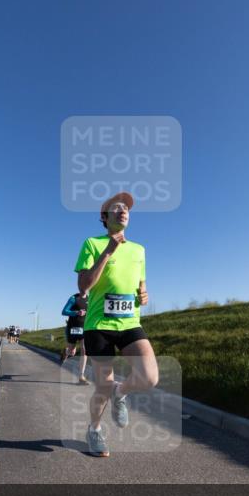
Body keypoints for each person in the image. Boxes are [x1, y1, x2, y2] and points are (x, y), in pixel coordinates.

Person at [75, 192, 159, 457]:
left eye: (126, 208)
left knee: (149, 377)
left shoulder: (139, 250)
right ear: (104, 217)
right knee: (101, 386)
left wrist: (144, 295)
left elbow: (141, 287)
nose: (123, 210)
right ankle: (95, 430)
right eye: (116, 208)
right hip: (98, 324)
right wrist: (108, 250)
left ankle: (120, 393)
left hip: (129, 322)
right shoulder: (91, 243)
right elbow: (84, 285)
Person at [60, 292, 90, 384]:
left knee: (85, 350)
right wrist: (76, 312)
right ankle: (65, 352)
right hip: (72, 328)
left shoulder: (90, 299)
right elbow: (64, 311)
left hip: (84, 328)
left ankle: (81, 376)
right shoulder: (74, 298)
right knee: (71, 352)